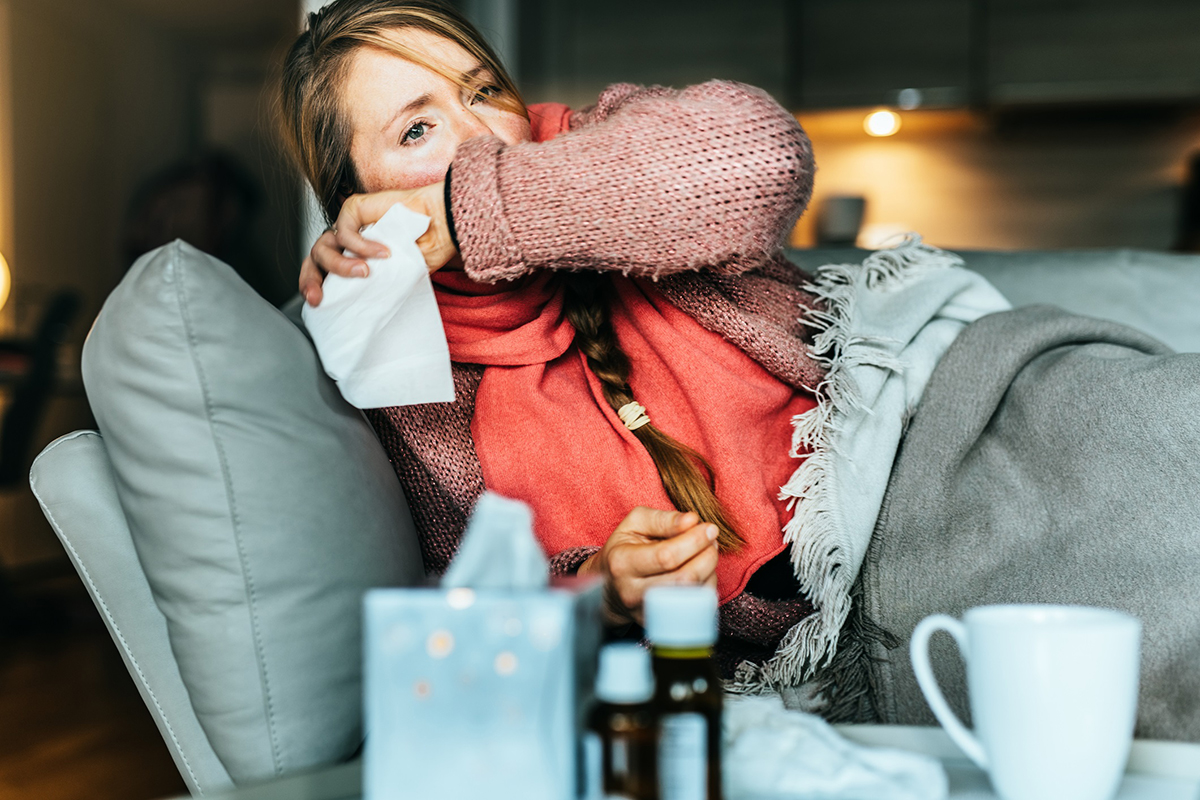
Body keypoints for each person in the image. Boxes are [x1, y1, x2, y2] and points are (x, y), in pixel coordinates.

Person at [280, 0, 837, 689]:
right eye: (418, 128)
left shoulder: (602, 141)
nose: (485, 139)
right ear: (356, 201)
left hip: (910, 474)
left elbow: (764, 156)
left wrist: (463, 208)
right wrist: (600, 586)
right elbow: (472, 595)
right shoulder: (399, 368)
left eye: (483, 91)